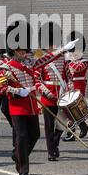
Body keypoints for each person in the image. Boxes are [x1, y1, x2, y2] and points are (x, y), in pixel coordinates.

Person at [0, 21, 77, 175]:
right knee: (22, 137)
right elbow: (1, 89)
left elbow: (46, 59)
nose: (25, 53)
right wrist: (17, 91)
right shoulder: (6, 67)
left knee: (35, 135)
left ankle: (18, 154)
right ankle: (23, 170)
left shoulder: (31, 63)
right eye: (22, 51)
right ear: (14, 50)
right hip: (17, 107)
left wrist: (63, 49)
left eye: (25, 50)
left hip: (32, 107)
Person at [34, 22, 66, 161]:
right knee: (49, 125)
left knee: (61, 123)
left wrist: (69, 87)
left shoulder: (62, 55)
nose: (53, 45)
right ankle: (50, 151)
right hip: (48, 95)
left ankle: (54, 143)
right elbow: (36, 79)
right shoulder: (39, 55)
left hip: (62, 93)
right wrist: (46, 92)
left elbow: (67, 75)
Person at [63, 31, 88, 142]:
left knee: (75, 109)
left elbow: (77, 68)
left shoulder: (84, 61)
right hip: (69, 86)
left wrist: (69, 59)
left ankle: (72, 132)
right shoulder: (67, 60)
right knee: (70, 110)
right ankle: (82, 127)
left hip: (79, 86)